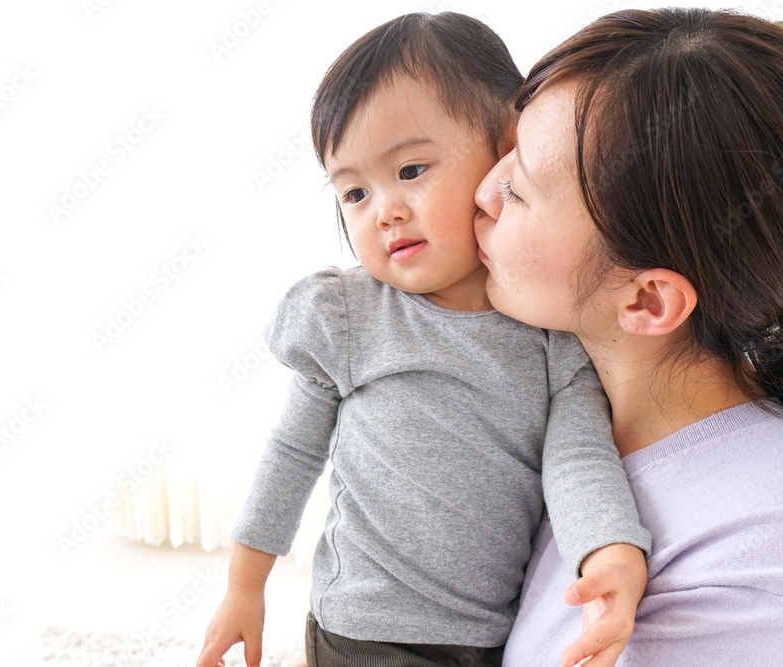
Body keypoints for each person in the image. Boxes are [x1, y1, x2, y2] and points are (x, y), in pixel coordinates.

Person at [196, 12, 653, 667]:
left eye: (411, 170)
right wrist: (244, 587)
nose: (385, 210)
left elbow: (579, 458)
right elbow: (291, 455)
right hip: (364, 626)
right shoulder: (346, 316)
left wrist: (611, 552)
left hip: (488, 633)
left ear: (506, 155)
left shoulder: (553, 332)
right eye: (354, 191)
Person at [473, 7, 783, 665]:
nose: (483, 190)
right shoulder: (555, 416)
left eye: (519, 190)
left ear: (648, 300)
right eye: (507, 151)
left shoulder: (772, 552)